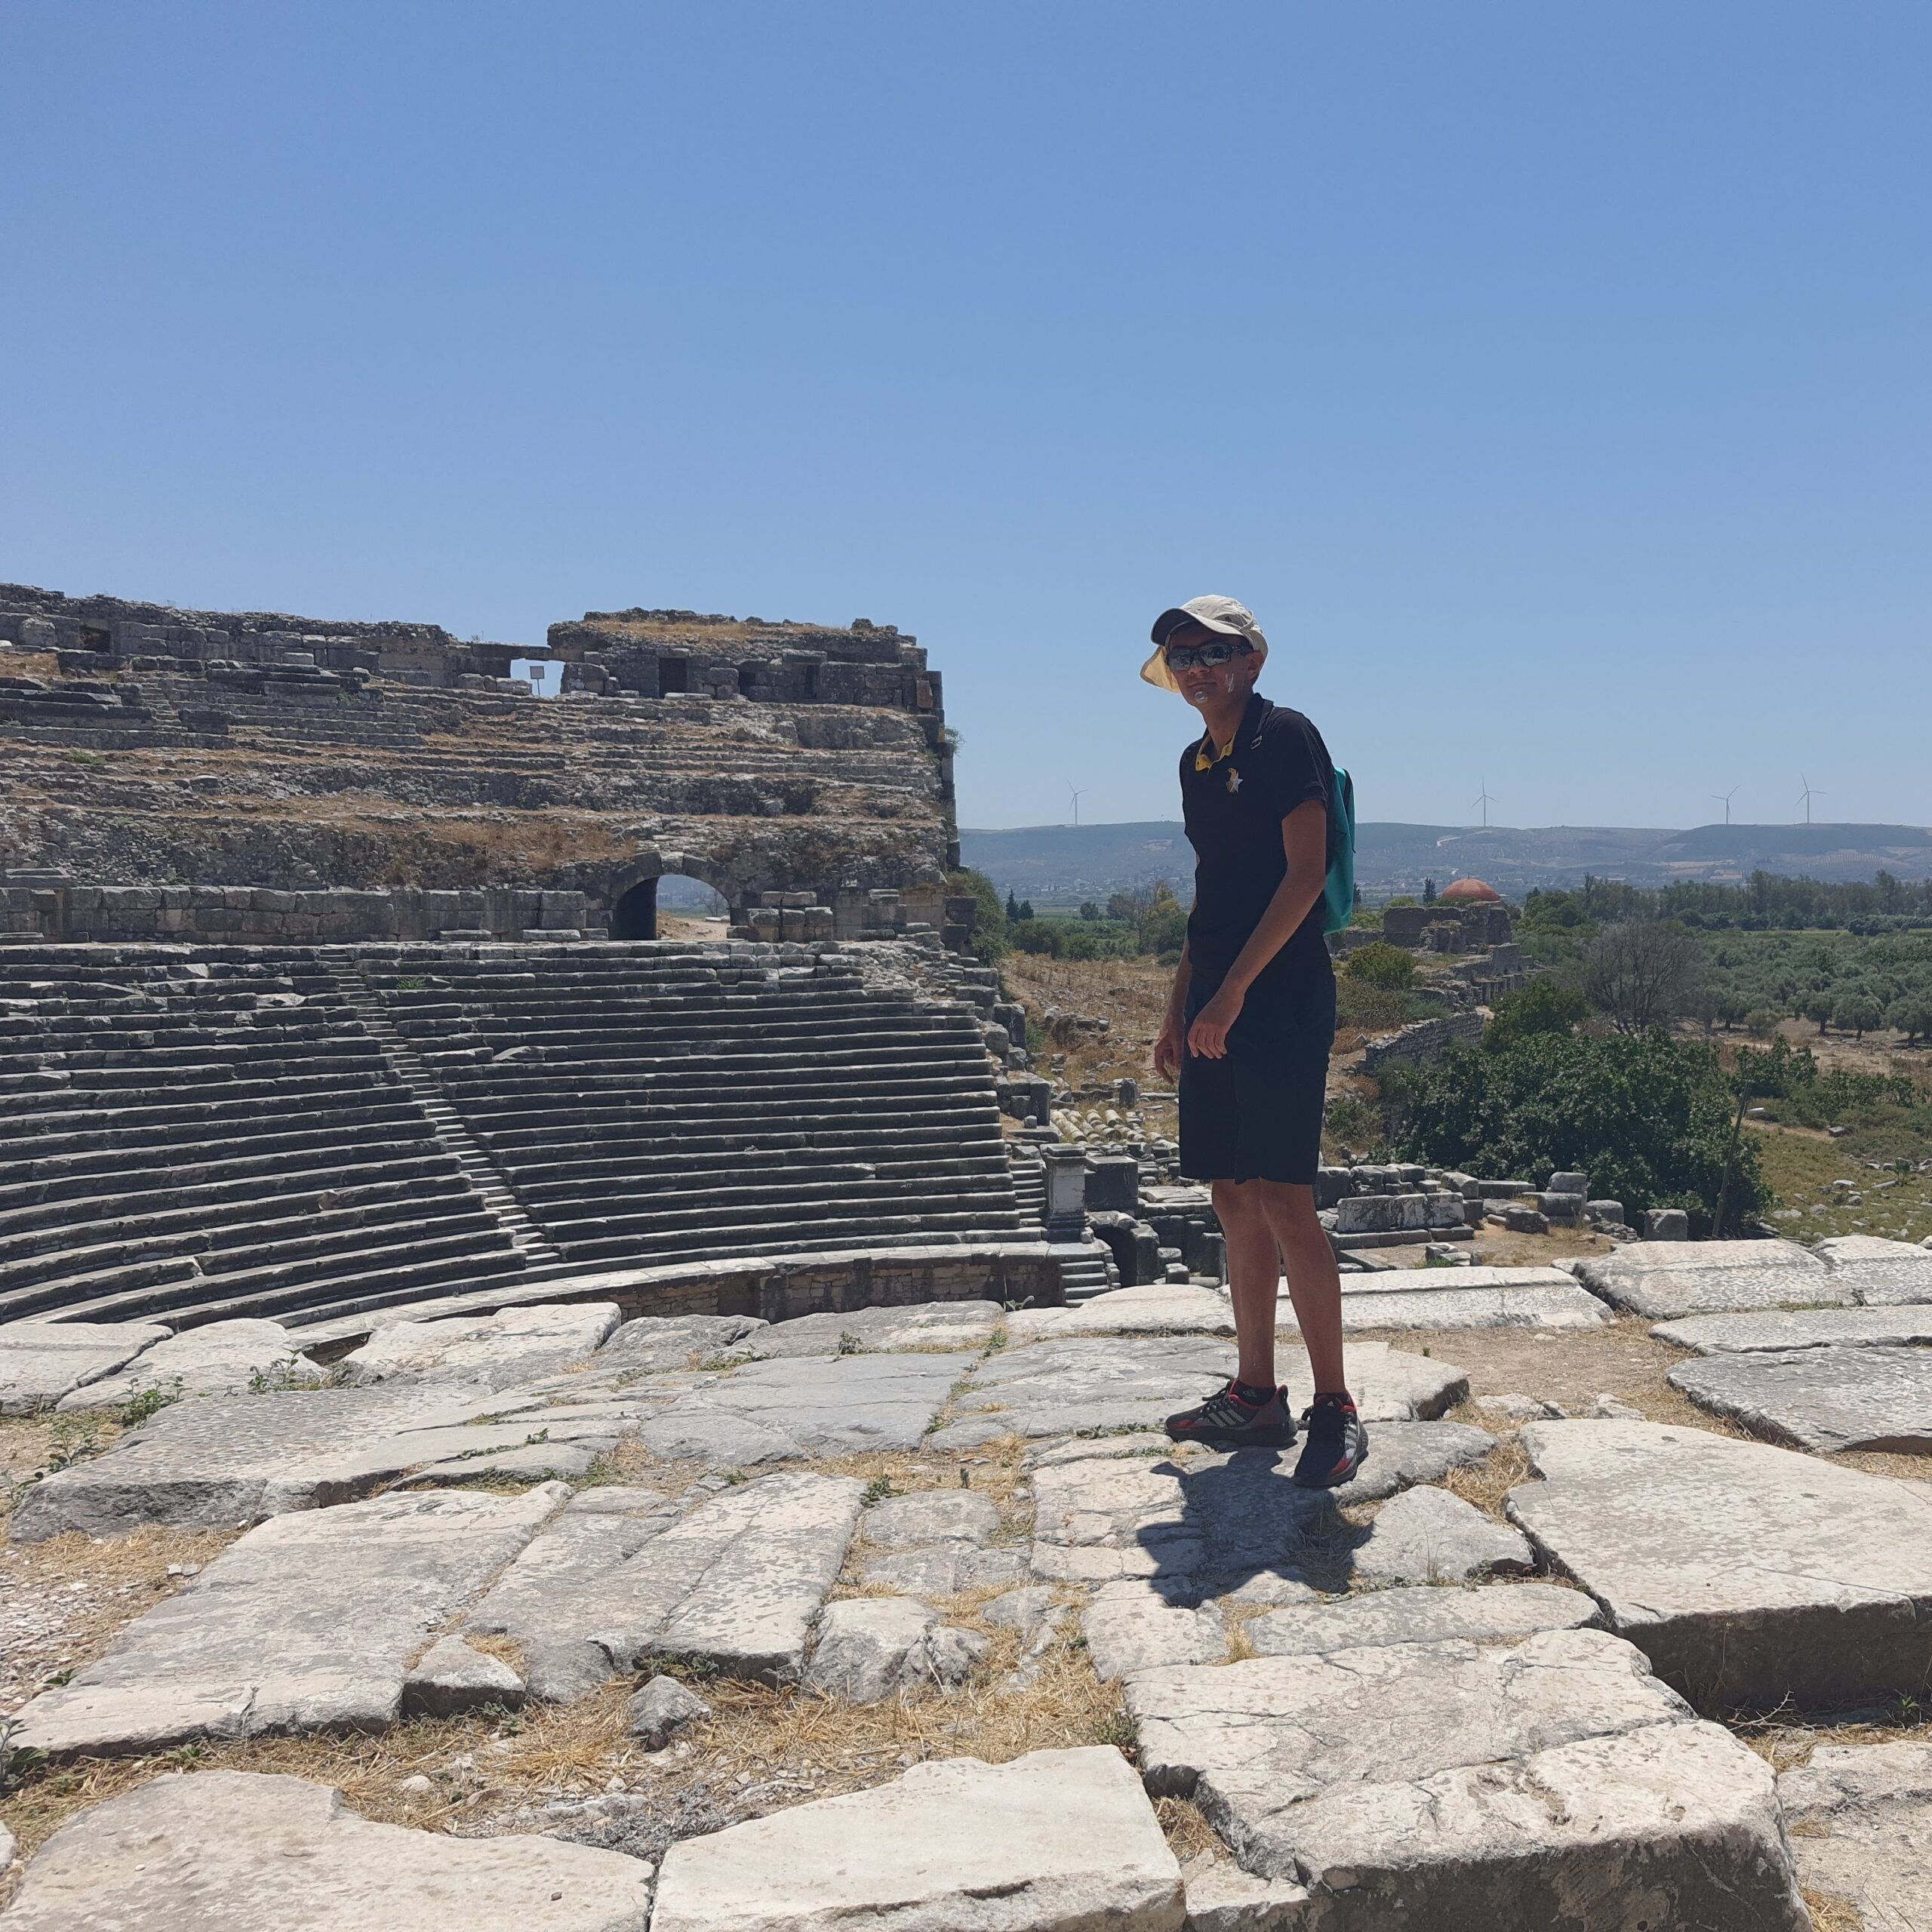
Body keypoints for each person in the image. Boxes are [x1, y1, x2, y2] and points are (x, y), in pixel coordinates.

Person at [1146, 595, 1367, 1487]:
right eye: (1180, 653)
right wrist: (1180, 1002)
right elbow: (1212, 894)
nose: (1196, 665)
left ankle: (1336, 1405)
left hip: (1275, 998)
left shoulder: (1287, 737)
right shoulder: (1197, 761)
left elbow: (1306, 875)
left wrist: (1232, 990)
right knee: (1232, 1195)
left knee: (1285, 1199)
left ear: (1251, 659)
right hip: (1217, 1000)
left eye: (1213, 649)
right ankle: (1255, 1392)